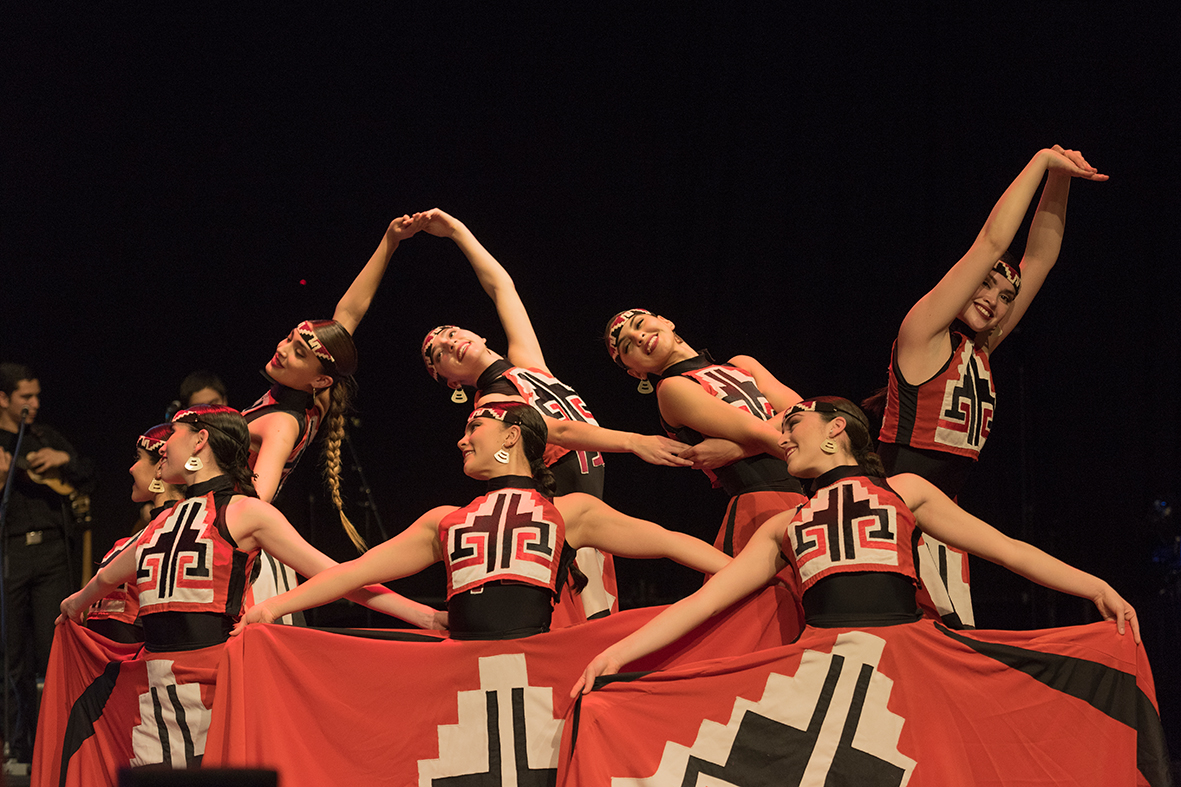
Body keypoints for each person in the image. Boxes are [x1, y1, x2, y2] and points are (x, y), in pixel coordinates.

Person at [566, 398, 1163, 784]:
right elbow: (705, 600)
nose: (781, 436)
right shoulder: (784, 525)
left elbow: (1007, 550)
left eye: (792, 424)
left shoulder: (905, 490)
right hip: (823, 667)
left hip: (913, 658)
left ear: (836, 431)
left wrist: (1096, 586)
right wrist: (616, 655)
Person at [53, 405, 442, 778]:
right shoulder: (160, 523)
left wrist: (423, 616)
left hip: (216, 684)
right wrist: (75, 605)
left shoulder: (245, 512)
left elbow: (339, 575)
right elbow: (107, 578)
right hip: (155, 689)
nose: (164, 446)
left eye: (172, 435)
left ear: (199, 441)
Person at [864, 146, 1108, 626]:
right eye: (987, 286)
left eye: (1005, 297)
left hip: (946, 526)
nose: (995, 301)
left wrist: (1062, 178)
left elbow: (1041, 256)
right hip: (893, 516)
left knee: (951, 658)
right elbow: (991, 245)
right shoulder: (921, 336)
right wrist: (1040, 161)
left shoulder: (977, 351)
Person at [236, 401, 728, 639]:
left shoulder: (568, 512)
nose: (461, 439)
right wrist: (272, 608)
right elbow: (351, 573)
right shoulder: (443, 521)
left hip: (540, 664)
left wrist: (747, 574)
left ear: (513, 436)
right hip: (461, 667)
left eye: (475, 427)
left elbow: (670, 541)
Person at [417, 208, 691, 621]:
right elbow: (559, 430)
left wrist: (457, 231)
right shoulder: (489, 406)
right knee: (574, 633)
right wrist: (634, 442)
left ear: (478, 334)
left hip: (587, 516)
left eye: (453, 332)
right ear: (451, 382)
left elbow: (501, 287)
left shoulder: (527, 366)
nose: (451, 343)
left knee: (601, 623)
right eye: (438, 354)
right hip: (556, 524)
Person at [243, 213, 427, 619]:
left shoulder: (283, 421)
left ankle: (424, 616)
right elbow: (349, 313)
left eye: (298, 352)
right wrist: (389, 242)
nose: (284, 349)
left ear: (320, 378)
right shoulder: (305, 393)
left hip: (236, 560)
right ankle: (422, 616)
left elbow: (259, 498)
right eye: (290, 339)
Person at [604, 308, 806, 559]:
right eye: (627, 346)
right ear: (636, 373)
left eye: (640, 324)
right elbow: (760, 431)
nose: (639, 337)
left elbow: (804, 414)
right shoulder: (672, 389)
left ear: (666, 321)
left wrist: (735, 450)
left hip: (801, 498)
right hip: (759, 507)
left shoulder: (743, 364)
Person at [0, 362, 93, 766]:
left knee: (53, 646)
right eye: (25, 397)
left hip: (54, 551)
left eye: (36, 395)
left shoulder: (44, 436)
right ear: (3, 399)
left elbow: (87, 475)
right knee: (12, 653)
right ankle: (18, 744)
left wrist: (64, 460)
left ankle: (55, 743)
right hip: (11, 550)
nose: (34, 404)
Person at [85, 424, 186, 644]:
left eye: (138, 457)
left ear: (161, 464)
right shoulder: (152, 536)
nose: (132, 468)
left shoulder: (173, 538)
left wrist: (75, 604)